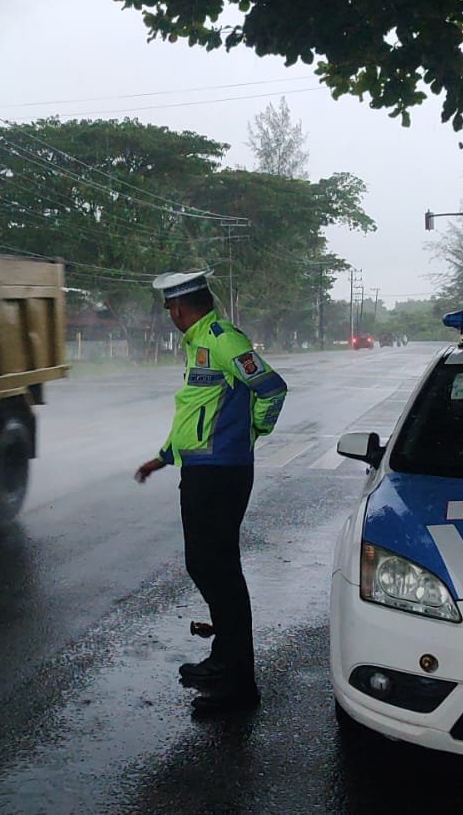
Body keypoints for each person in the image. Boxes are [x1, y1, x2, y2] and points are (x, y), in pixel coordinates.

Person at [135, 269, 287, 715]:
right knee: (204, 564)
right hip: (202, 471)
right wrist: (162, 458)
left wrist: (252, 432)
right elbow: (194, 412)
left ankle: (239, 683)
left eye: (169, 308)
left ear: (181, 307)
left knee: (219, 570)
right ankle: (224, 658)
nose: (169, 316)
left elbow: (272, 388)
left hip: (223, 473)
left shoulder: (222, 339)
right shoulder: (197, 342)